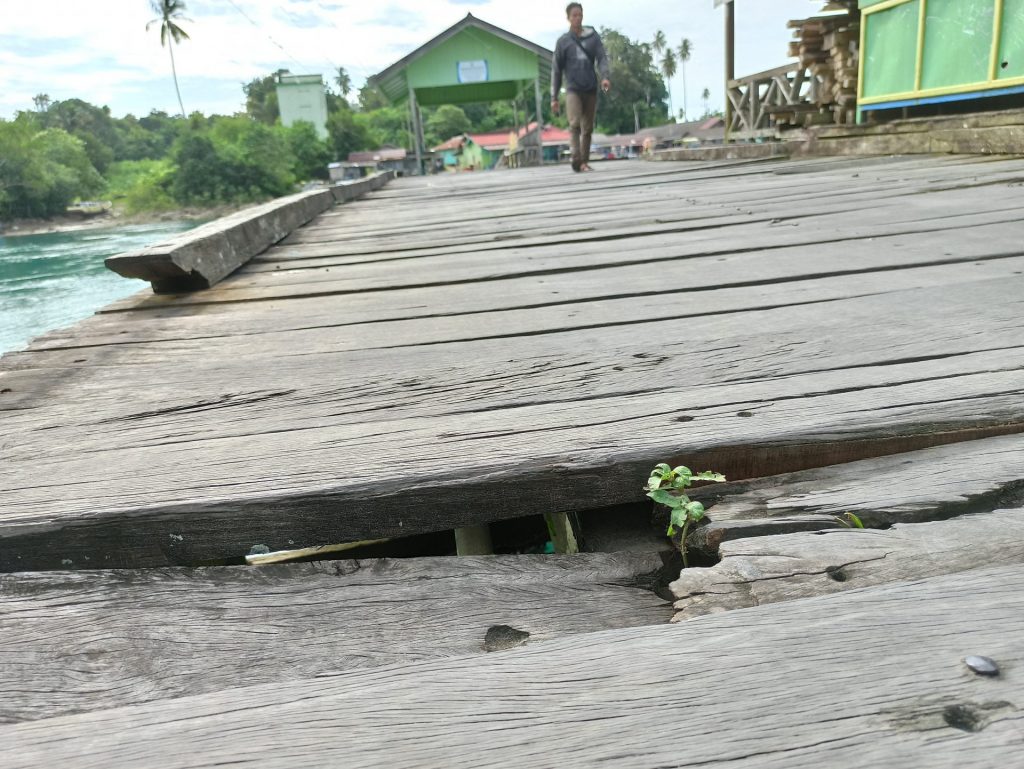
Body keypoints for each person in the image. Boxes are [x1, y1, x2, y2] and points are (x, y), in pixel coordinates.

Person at [551, 3, 611, 172]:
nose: (577, 18)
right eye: (574, 15)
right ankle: (576, 160)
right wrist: (554, 97)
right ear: (568, 18)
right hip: (572, 89)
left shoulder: (593, 37)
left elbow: (602, 58)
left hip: (590, 87)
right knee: (574, 124)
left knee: (588, 127)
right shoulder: (563, 42)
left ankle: (584, 161)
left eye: (580, 15)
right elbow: (556, 70)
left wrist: (605, 77)